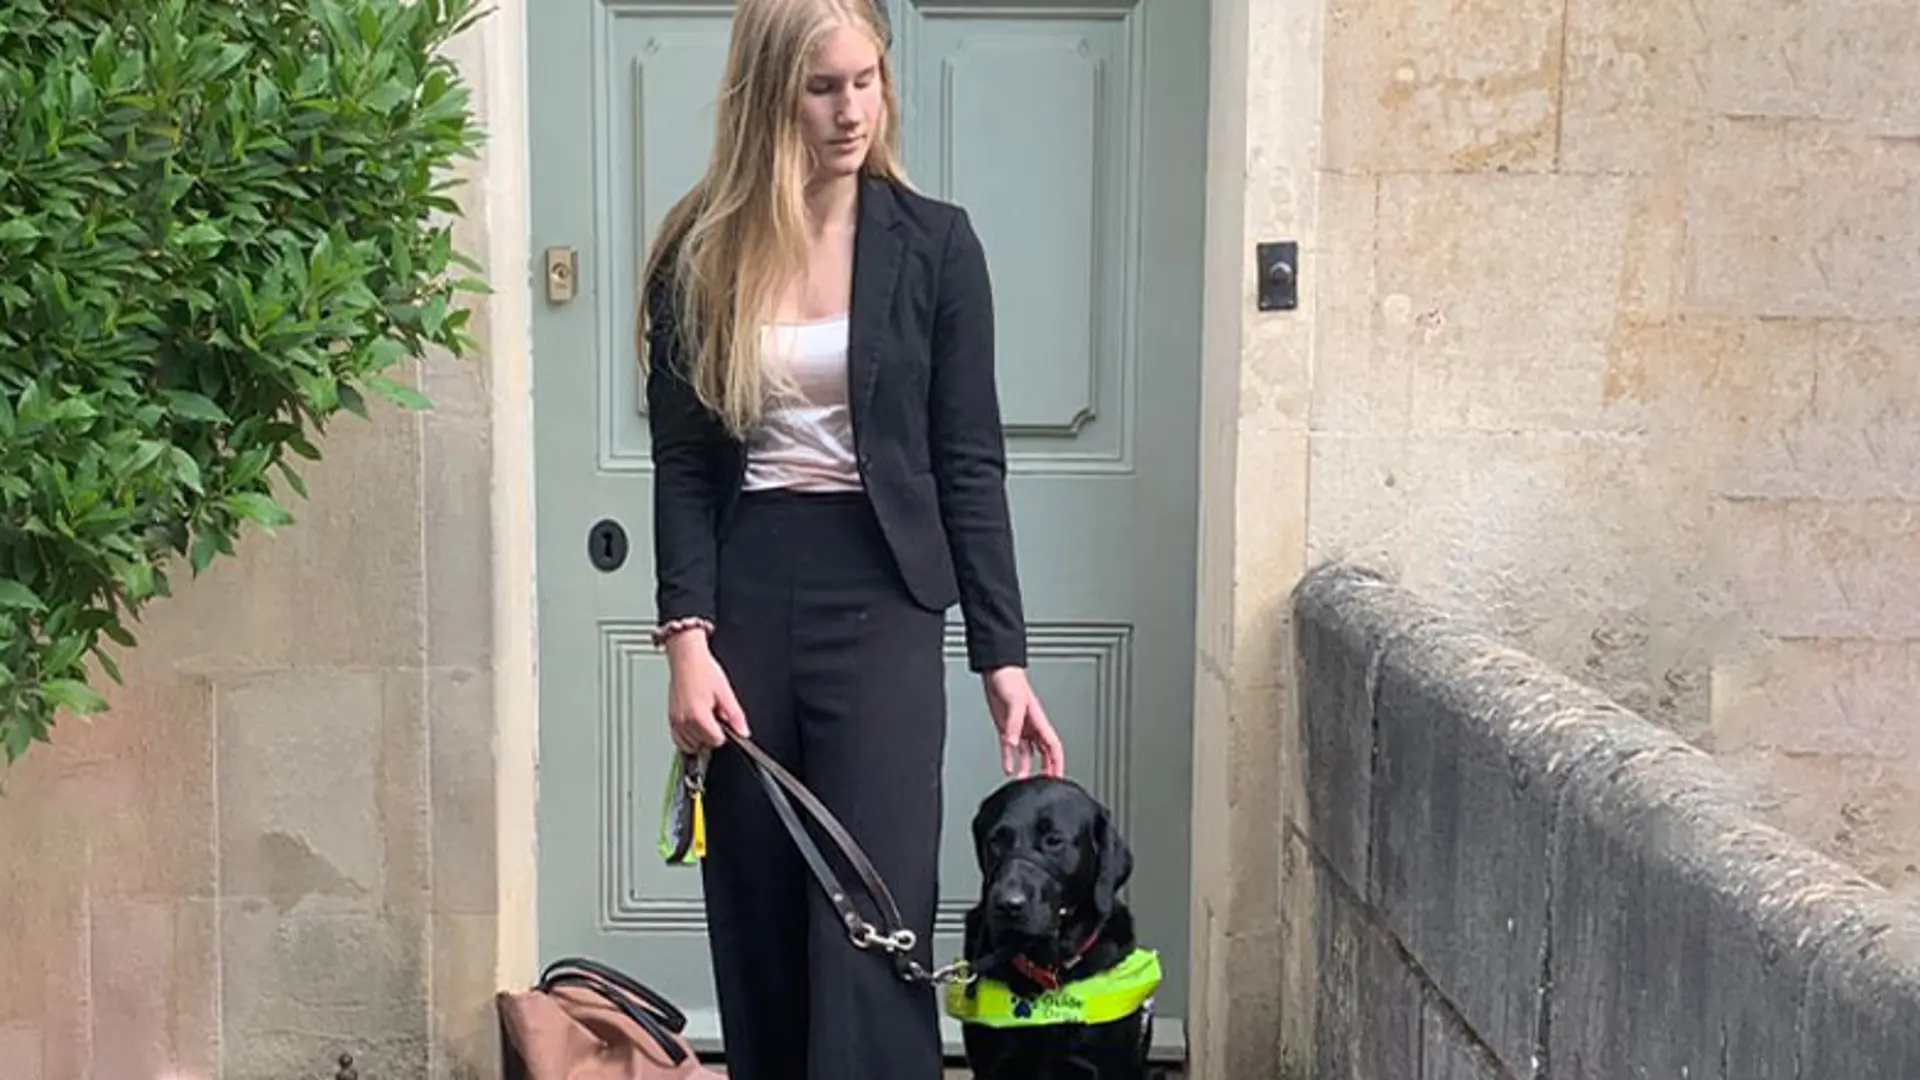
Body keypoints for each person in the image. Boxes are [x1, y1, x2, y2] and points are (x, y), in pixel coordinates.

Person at [635, 1, 1066, 1077]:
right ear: (770, 94)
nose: (851, 111)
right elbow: (684, 460)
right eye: (823, 87)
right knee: (762, 906)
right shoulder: (700, 250)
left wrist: (1001, 656)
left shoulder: (936, 244)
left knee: (873, 901)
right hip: (746, 595)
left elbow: (970, 461)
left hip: (883, 598)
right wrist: (687, 638)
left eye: (866, 80)